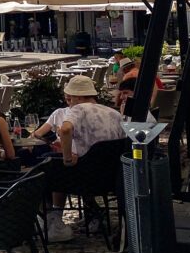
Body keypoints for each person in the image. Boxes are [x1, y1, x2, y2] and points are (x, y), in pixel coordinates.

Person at [33, 75, 125, 241]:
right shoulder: (114, 114)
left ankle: (52, 219)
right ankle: (78, 214)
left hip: (83, 176)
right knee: (52, 162)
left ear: (78, 97)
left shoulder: (78, 109)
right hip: (112, 176)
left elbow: (66, 129)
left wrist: (67, 157)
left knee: (42, 167)